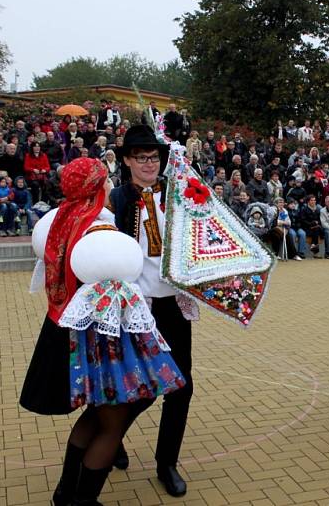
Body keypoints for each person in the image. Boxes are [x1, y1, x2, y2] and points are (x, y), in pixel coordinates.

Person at [20, 157, 185, 505]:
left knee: (97, 414)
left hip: (72, 333)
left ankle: (65, 493)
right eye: (105, 179)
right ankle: (81, 500)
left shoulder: (60, 220)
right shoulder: (100, 228)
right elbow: (124, 283)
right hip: (106, 337)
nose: (110, 184)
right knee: (113, 421)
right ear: (96, 186)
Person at [106, 125, 196, 497]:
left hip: (173, 303)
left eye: (154, 157)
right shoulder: (118, 199)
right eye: (140, 157)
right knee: (138, 389)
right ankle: (109, 437)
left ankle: (166, 463)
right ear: (126, 160)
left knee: (181, 387)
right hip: (136, 308)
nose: (148, 164)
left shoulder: (177, 195)